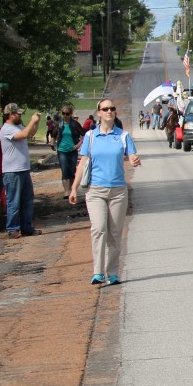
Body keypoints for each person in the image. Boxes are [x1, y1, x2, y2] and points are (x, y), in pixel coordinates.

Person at [68, 99, 140, 284]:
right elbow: (82, 164)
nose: (109, 111)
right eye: (105, 109)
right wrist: (74, 188)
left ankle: (113, 273)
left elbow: (132, 155)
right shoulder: (91, 136)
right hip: (95, 191)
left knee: (115, 233)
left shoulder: (123, 136)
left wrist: (134, 160)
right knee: (99, 229)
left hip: (118, 192)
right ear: (99, 113)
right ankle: (98, 272)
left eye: (112, 109)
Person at [1, 103, 42, 239]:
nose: (20, 115)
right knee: (14, 201)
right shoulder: (6, 129)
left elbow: (30, 133)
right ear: (11, 115)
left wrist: (36, 122)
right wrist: (32, 121)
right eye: (18, 114)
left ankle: (27, 227)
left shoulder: (17, 127)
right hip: (12, 171)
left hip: (24, 169)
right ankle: (12, 229)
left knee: (27, 201)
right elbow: (23, 134)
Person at [55, 104, 84, 195]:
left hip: (72, 151)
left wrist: (78, 145)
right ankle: (66, 191)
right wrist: (52, 143)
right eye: (63, 113)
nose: (65, 115)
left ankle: (72, 190)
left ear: (71, 114)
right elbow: (53, 134)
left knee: (71, 170)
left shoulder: (75, 124)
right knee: (64, 169)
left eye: (67, 113)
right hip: (61, 150)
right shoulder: (59, 124)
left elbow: (84, 135)